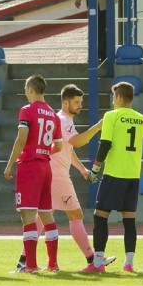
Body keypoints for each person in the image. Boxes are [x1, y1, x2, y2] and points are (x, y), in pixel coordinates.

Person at [14, 84, 105, 271]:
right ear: (65, 102)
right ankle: (92, 260)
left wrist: (81, 169)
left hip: (54, 173)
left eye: (81, 102)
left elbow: (67, 149)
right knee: (75, 214)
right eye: (77, 102)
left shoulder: (64, 119)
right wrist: (99, 126)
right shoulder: (62, 120)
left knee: (43, 217)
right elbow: (78, 142)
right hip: (57, 177)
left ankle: (24, 261)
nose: (80, 105)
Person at [84, 81, 143, 273]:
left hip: (114, 173)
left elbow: (105, 144)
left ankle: (97, 263)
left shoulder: (112, 116)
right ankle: (129, 263)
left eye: (113, 97)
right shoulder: (141, 119)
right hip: (133, 174)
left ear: (118, 97)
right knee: (129, 219)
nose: (113, 101)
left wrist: (95, 169)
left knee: (100, 216)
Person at [4, 75, 63, 274]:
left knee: (28, 215)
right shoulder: (53, 115)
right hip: (46, 167)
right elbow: (60, 145)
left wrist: (10, 164)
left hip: (30, 166)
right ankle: (53, 264)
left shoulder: (27, 110)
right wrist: (43, 150)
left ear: (30, 88)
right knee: (46, 214)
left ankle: (30, 266)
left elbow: (21, 139)